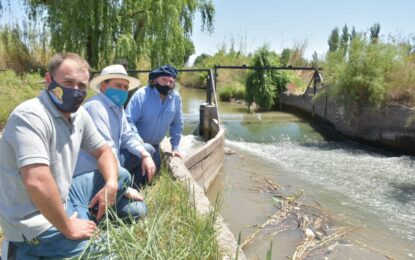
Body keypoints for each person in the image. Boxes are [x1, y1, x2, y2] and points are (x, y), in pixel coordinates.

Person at [0, 53, 143, 259]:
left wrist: (111, 184)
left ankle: (83, 216)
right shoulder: (30, 116)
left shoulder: (79, 115)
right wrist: (68, 228)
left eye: (81, 86)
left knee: (121, 177)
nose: (75, 91)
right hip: (33, 222)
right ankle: (20, 249)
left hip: (62, 198)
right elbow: (37, 182)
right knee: (107, 254)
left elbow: (104, 152)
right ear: (49, 80)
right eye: (68, 82)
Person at [75, 64, 156, 189]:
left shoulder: (118, 107)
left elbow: (127, 136)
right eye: (118, 86)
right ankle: (122, 191)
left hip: (113, 159)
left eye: (125, 87)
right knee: (138, 209)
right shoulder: (95, 107)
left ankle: (134, 188)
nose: (123, 90)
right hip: (94, 169)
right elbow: (108, 149)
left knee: (147, 149)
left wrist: (145, 155)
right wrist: (122, 184)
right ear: (103, 87)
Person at [124, 65, 184, 175]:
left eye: (171, 81)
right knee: (134, 176)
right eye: (164, 80)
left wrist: (175, 147)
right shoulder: (141, 95)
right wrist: (140, 144)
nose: (167, 84)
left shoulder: (176, 98)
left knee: (151, 178)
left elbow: (177, 124)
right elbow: (129, 120)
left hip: (156, 147)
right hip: (134, 147)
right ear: (155, 80)